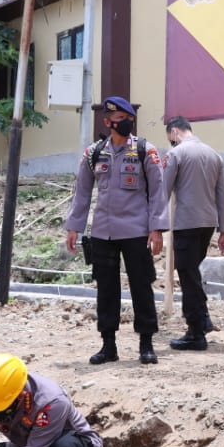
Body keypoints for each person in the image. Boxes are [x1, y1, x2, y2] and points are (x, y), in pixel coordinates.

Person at [64, 96, 167, 366]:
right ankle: (108, 345)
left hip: (136, 231)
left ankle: (146, 344)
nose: (125, 124)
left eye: (128, 119)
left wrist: (156, 229)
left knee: (141, 287)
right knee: (106, 290)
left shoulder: (146, 150)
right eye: (119, 120)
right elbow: (82, 193)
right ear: (108, 122)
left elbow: (158, 192)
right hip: (103, 233)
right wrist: (74, 227)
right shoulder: (94, 153)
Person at [162, 116, 224, 352]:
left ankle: (196, 332)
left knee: (188, 276)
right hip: (208, 224)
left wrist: (154, 225)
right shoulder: (214, 155)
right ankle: (203, 318)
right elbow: (222, 195)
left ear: (174, 132)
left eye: (169, 136)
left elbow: (163, 191)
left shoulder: (176, 154)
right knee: (192, 273)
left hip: (186, 223)